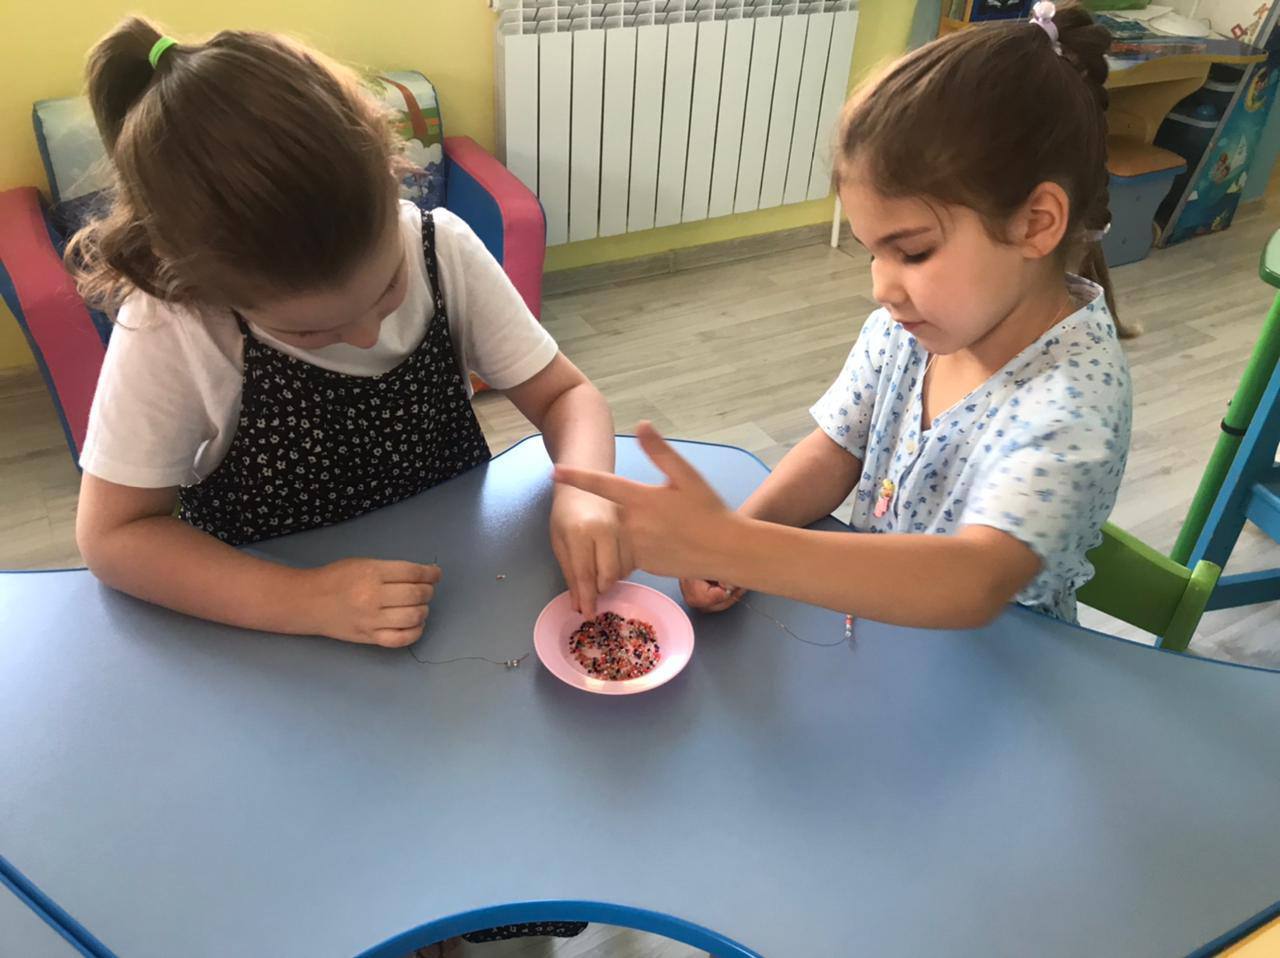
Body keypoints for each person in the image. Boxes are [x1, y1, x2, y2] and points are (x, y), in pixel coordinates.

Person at [556, 2, 1132, 629]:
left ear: (1036, 223)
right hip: (881, 631)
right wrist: (737, 537)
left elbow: (973, 582)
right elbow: (838, 448)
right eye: (872, 251)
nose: (882, 287)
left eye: (913, 252)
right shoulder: (910, 330)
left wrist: (736, 546)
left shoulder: (1073, 400)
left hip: (1002, 666)